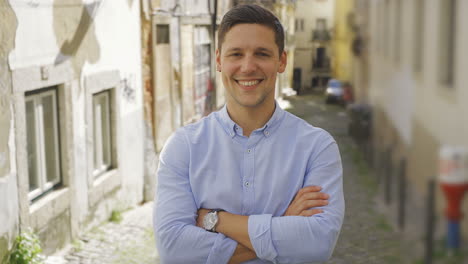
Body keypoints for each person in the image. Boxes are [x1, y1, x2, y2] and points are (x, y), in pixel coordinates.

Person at [153, 4, 344, 264]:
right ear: (219, 60)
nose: (248, 66)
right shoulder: (183, 147)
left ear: (282, 61)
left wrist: (217, 220)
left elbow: (317, 244)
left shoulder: (317, 147)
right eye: (236, 54)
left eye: (262, 54)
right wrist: (284, 226)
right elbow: (174, 250)